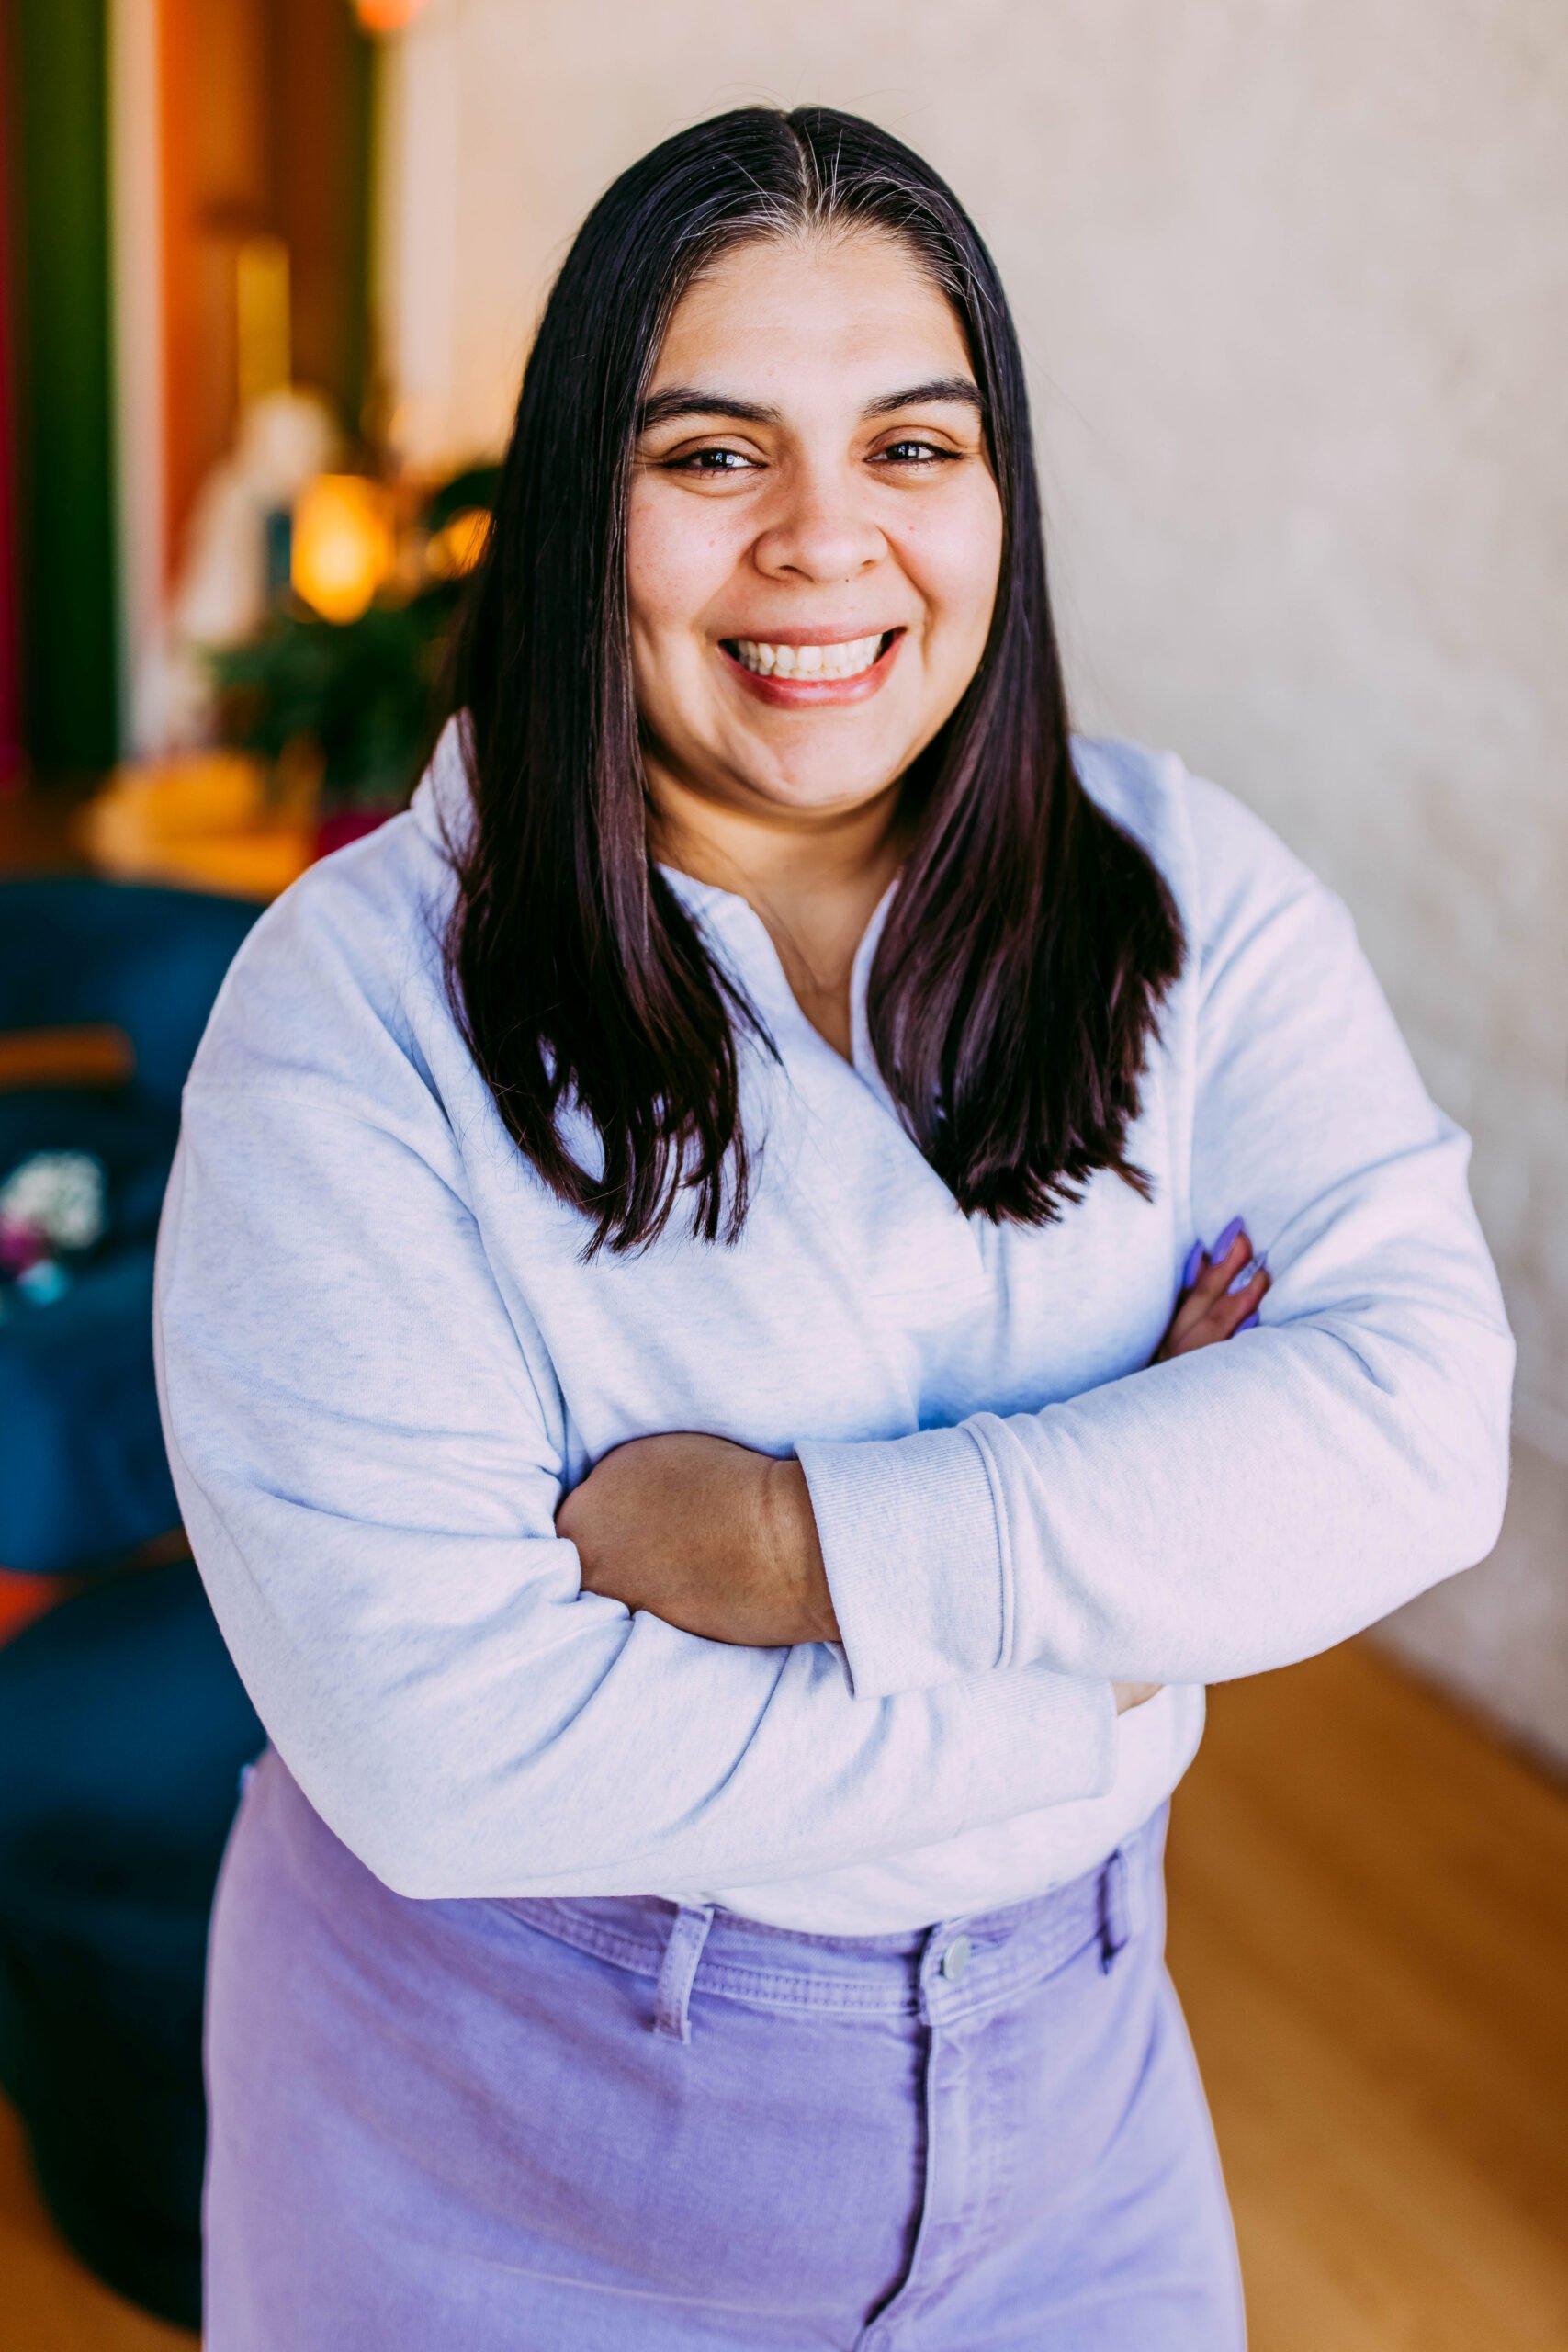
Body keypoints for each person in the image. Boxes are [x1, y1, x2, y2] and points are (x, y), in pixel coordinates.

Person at [153, 106, 1513, 2351]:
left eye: (910, 443)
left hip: (1074, 2126)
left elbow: (1410, 1428)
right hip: (493, 2164)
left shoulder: (1175, 891)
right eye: (710, 456)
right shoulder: (351, 1007)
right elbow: (444, 1742)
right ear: (581, 501)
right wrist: (1111, 1633)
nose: (824, 543)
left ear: (998, 497)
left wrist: (802, 1553)